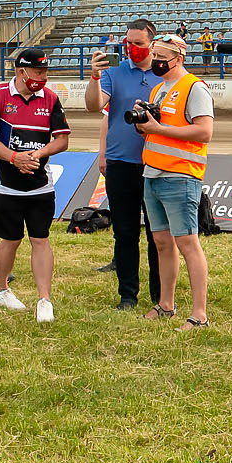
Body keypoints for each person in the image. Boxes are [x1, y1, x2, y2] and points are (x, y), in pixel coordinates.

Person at [0, 48, 71, 321]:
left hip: (41, 185)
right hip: (5, 186)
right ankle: (1, 289)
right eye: (38, 72)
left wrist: (39, 154)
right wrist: (13, 158)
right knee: (10, 240)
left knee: (40, 239)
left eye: (45, 72)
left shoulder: (52, 98)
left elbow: (62, 140)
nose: (43, 77)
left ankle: (45, 299)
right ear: (21, 72)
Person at [134, 33, 215, 327]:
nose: (155, 61)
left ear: (177, 58)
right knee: (162, 243)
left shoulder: (194, 87)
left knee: (187, 242)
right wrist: (145, 127)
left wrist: (158, 128)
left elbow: (204, 132)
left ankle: (199, 314)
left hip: (180, 174)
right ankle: (166, 304)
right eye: (154, 55)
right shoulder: (159, 89)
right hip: (153, 173)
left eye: (161, 57)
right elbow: (154, 131)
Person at [84, 19, 164, 310]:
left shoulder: (165, 74)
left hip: (156, 164)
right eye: (128, 43)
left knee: (158, 236)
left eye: (138, 44)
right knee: (126, 233)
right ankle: (128, 295)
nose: (132, 49)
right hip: (121, 164)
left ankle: (161, 296)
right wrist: (94, 77)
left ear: (152, 45)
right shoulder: (114, 72)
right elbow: (94, 107)